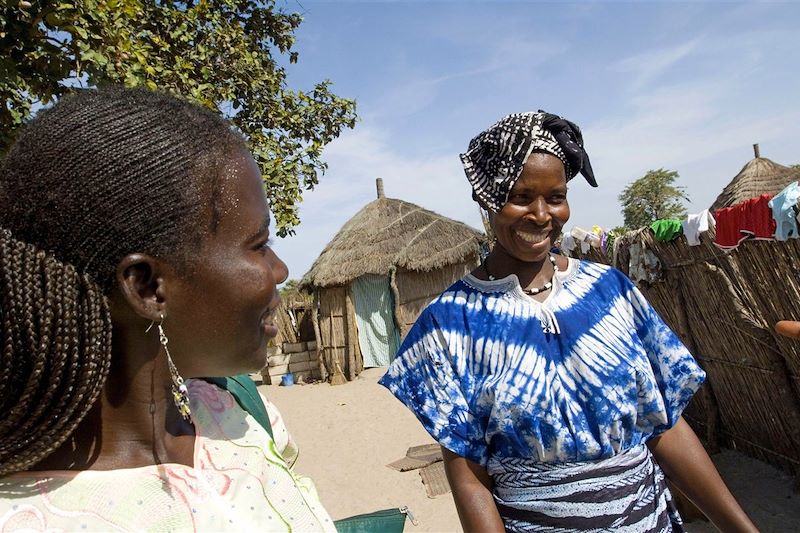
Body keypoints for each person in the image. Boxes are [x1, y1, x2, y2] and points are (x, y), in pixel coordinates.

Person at [380, 111, 757, 532]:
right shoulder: (448, 325)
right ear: (485, 199)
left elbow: (664, 426)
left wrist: (743, 529)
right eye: (521, 197)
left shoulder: (610, 291)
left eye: (555, 197)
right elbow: (469, 477)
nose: (542, 215)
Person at [0, 88, 335, 531]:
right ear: (148, 287)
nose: (280, 269)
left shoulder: (240, 417)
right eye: (259, 245)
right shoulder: (32, 518)